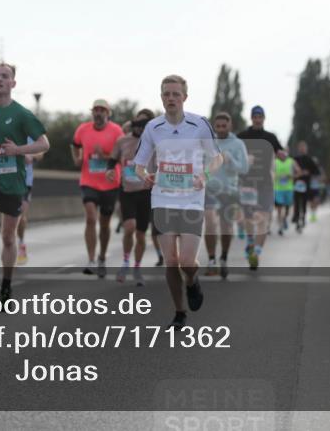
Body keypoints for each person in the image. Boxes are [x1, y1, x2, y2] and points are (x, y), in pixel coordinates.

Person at [133, 75, 222, 329]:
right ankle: (179, 311)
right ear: (161, 97)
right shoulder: (153, 127)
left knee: (186, 261)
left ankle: (192, 282)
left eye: (175, 94)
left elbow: (217, 158)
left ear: (184, 96)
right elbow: (139, 164)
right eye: (166, 94)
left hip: (192, 199)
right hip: (162, 198)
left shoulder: (199, 124)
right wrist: (145, 176)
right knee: (171, 260)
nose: (171, 98)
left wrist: (205, 175)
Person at [0, 62, 49, 301]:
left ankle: (7, 282)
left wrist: (18, 150)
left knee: (7, 237)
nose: (0, 79)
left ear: (13, 83)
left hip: (13, 182)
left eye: (5, 76)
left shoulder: (22, 114)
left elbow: (44, 143)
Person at [71, 99, 124, 277]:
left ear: (108, 113)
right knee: (91, 218)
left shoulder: (117, 131)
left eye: (102, 110)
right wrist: (77, 159)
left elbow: (123, 154)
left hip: (110, 182)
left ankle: (102, 256)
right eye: (96, 110)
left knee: (104, 224)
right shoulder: (83, 129)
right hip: (89, 181)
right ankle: (91, 259)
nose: (98, 113)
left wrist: (105, 155)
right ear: (92, 112)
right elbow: (75, 144)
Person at [106, 109, 156, 286]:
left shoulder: (154, 143)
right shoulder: (123, 140)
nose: (141, 127)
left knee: (141, 235)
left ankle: (137, 267)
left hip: (146, 193)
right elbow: (112, 161)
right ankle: (125, 262)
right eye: (138, 123)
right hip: (127, 192)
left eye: (145, 124)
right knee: (129, 228)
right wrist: (110, 170)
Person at [203, 112, 249, 279]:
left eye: (224, 126)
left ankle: (223, 257)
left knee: (226, 227)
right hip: (210, 189)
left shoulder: (237, 144)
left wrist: (230, 160)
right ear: (214, 127)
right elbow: (200, 163)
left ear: (230, 126)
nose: (221, 129)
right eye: (218, 126)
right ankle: (211, 260)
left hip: (229, 190)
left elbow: (244, 168)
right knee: (210, 221)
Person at [237, 105, 281, 270]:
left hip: (266, 184)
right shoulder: (242, 136)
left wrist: (283, 155)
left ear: (263, 118)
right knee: (249, 218)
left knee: (263, 218)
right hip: (247, 183)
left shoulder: (271, 137)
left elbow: (281, 154)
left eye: (260, 116)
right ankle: (250, 241)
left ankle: (256, 252)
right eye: (255, 116)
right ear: (251, 118)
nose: (257, 119)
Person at [16, 136, 44, 264]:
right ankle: (11, 245)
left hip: (25, 183)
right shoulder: (8, 129)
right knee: (9, 216)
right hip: (8, 179)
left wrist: (31, 156)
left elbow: (41, 151)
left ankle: (21, 243)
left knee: (21, 217)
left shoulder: (29, 133)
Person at [293, 141, 323, 231]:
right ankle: (297, 219)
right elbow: (290, 170)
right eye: (300, 147)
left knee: (304, 203)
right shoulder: (295, 159)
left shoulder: (310, 160)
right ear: (298, 149)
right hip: (296, 185)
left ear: (306, 149)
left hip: (307, 185)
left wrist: (308, 172)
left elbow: (317, 172)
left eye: (304, 147)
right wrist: (296, 174)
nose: (302, 149)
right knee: (297, 203)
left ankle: (303, 218)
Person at [272, 148, 299, 236]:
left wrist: (292, 176)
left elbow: (299, 172)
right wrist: (274, 176)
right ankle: (280, 227)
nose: (282, 155)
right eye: (281, 153)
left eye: (284, 153)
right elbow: (270, 173)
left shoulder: (291, 161)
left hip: (289, 189)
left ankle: (284, 219)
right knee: (280, 208)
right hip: (278, 189)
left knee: (287, 208)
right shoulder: (275, 162)